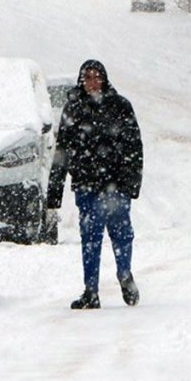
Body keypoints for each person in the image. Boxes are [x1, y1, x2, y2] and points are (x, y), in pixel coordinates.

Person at [47, 59, 143, 309]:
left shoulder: (120, 106)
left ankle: (124, 274)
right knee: (90, 238)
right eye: (87, 77)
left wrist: (132, 183)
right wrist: (54, 192)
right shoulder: (73, 109)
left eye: (96, 77)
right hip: (86, 185)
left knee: (121, 234)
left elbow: (134, 146)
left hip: (116, 185)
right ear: (81, 80)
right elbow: (62, 151)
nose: (92, 82)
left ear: (104, 79)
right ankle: (91, 290)